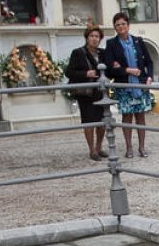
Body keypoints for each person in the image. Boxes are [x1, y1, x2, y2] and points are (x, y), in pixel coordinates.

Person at [102, 12, 154, 159]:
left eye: (123, 24)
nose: (121, 27)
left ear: (128, 25)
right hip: (124, 85)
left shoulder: (138, 41)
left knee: (141, 116)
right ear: (114, 27)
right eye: (117, 25)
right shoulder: (111, 44)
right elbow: (110, 67)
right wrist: (126, 69)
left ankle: (142, 147)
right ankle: (129, 148)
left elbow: (149, 62)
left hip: (140, 85)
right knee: (127, 116)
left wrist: (149, 76)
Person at [65, 24, 108, 161]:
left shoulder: (103, 53)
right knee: (89, 121)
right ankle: (92, 150)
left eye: (97, 36)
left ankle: (99, 147)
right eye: (92, 36)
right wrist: (85, 73)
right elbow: (69, 72)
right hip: (86, 93)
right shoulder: (78, 52)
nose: (94, 39)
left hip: (100, 91)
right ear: (87, 38)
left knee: (102, 121)